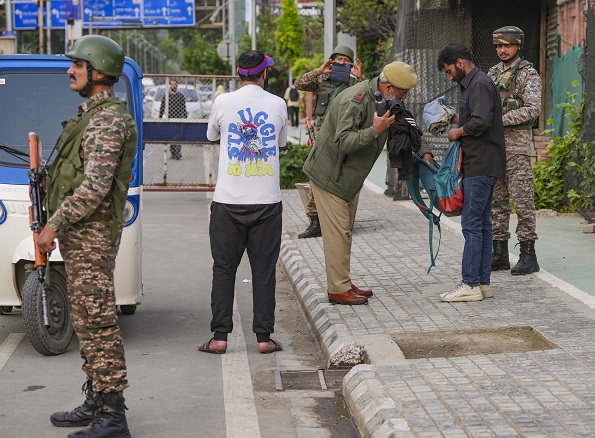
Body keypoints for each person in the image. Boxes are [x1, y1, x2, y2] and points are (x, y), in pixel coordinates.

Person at [37, 34, 136, 437]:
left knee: (98, 322)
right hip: (82, 236)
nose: (70, 70)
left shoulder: (107, 120)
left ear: (98, 71)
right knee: (84, 320)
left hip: (92, 237)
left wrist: (54, 223)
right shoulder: (91, 115)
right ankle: (97, 399)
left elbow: (95, 187)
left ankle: (113, 416)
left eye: (78, 65)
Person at [303, 61, 419, 305]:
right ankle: (337, 289)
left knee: (344, 233)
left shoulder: (384, 99)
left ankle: (343, 282)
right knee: (337, 235)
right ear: (388, 87)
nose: (404, 98)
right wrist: (375, 130)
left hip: (348, 177)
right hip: (331, 176)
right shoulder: (355, 100)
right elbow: (343, 142)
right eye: (402, 92)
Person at [199, 50, 287, 355]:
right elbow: (280, 142)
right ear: (264, 74)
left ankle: (219, 338)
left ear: (239, 75)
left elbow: (211, 135)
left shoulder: (223, 102)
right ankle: (264, 339)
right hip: (267, 203)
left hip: (227, 203)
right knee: (264, 271)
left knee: (224, 268)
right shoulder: (278, 104)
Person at [436, 43, 506, 302]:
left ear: (460, 62)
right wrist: (454, 118)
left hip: (480, 164)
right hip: (483, 163)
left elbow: (482, 121)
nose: (449, 77)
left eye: (449, 71)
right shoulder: (474, 84)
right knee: (483, 224)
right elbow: (477, 116)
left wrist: (457, 132)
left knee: (472, 224)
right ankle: (483, 283)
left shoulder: (479, 84)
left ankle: (470, 284)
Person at [294, 45, 364, 239]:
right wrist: (319, 71)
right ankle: (315, 221)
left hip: (345, 136)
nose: (342, 63)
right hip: (321, 137)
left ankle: (341, 219)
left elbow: (372, 99)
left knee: (343, 176)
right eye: (338, 59)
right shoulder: (322, 80)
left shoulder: (355, 84)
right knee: (316, 178)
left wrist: (361, 78)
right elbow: (299, 84)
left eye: (346, 60)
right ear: (332, 61)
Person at [488, 26, 541, 275]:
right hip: (495, 148)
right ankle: (499, 254)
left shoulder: (528, 74)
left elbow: (532, 109)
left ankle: (528, 255)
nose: (503, 50)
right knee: (496, 203)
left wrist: (501, 120)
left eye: (507, 45)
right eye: (499, 46)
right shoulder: (492, 74)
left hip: (517, 149)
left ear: (518, 46)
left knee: (522, 202)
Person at [159, 78, 187, 160]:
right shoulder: (166, 96)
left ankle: (177, 153)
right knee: (171, 136)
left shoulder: (180, 96)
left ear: (177, 86)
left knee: (178, 136)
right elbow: (162, 107)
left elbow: (183, 108)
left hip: (178, 119)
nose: (173, 86)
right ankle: (173, 153)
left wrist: (185, 118)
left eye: (175, 84)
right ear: (170, 86)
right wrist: (160, 118)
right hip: (169, 119)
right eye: (172, 84)